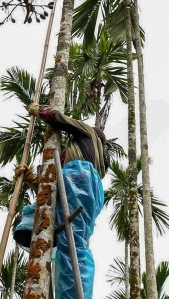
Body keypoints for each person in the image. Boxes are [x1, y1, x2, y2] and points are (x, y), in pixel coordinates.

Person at [13, 103, 107, 299]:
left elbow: (59, 118)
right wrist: (32, 179)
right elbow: (53, 192)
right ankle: (37, 230)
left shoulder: (87, 134)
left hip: (80, 179)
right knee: (62, 231)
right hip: (84, 187)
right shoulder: (90, 162)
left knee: (73, 241)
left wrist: (39, 111)